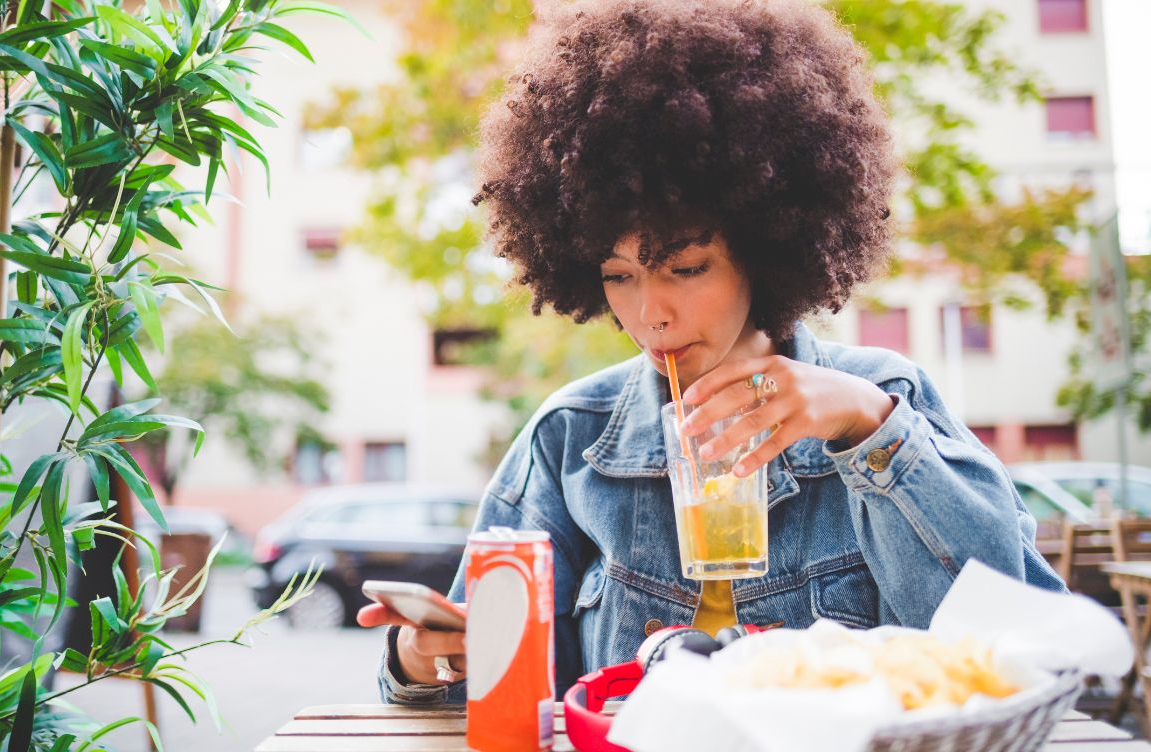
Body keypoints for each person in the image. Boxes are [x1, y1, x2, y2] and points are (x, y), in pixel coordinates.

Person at [359, 0, 1066, 704]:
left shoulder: (884, 396)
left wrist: (869, 431)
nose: (650, 312)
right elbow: (494, 684)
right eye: (618, 277)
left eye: (686, 267)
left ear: (762, 251)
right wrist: (424, 658)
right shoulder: (570, 437)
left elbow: (1019, 644)